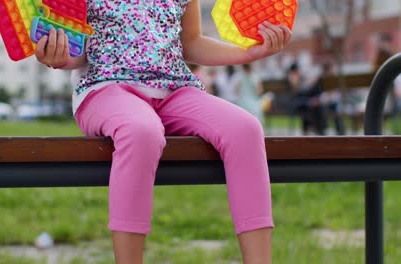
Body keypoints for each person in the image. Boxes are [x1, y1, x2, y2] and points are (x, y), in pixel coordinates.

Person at [35, 0, 292, 263]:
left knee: (245, 129)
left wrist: (248, 53)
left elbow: (190, 44)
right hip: (104, 88)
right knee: (141, 131)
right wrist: (58, 57)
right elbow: (78, 49)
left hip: (174, 89)